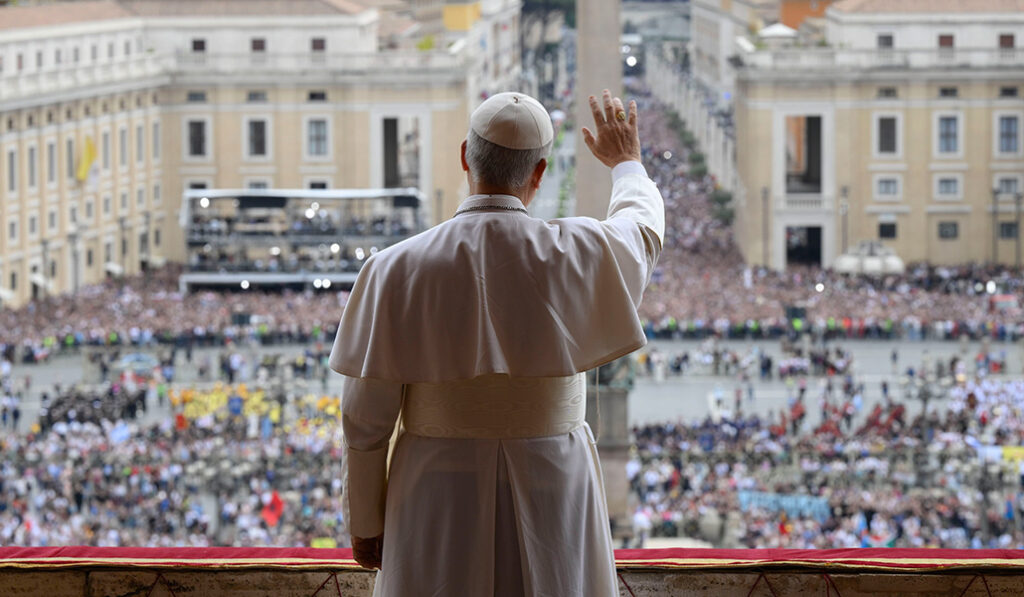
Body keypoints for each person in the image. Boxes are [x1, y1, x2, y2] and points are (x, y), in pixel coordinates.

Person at [330, 89, 664, 596]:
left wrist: (367, 522)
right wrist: (627, 165)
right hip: (554, 481)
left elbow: (365, 420)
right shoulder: (580, 251)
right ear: (539, 173)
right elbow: (641, 231)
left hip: (435, 487)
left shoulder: (392, 267)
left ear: (466, 156)